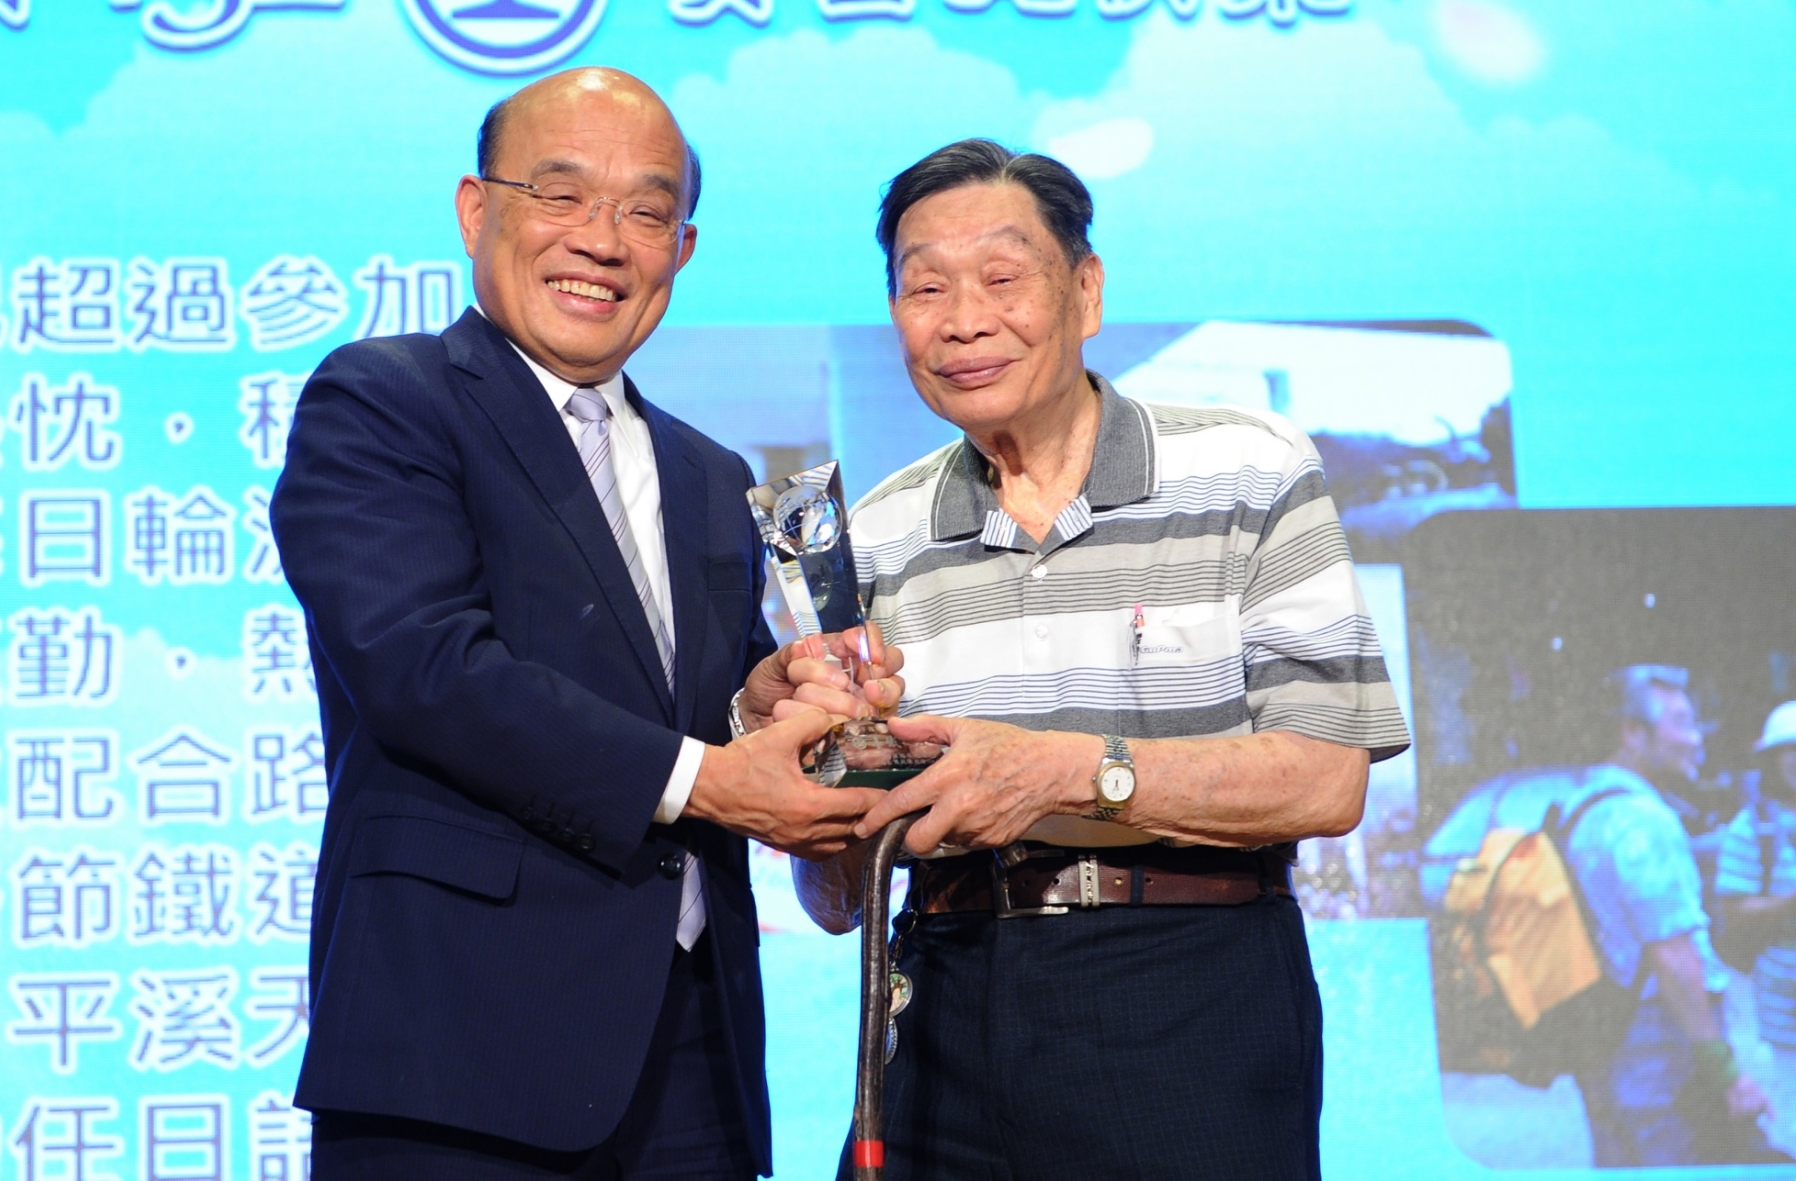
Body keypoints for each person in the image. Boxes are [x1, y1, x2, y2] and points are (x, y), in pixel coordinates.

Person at [271, 66, 894, 1180]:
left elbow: (699, 702)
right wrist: (711, 780)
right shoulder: (384, 400)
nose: (601, 242)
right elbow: (425, 668)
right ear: (476, 209)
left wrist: (773, 703)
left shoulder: (709, 472)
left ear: (681, 250)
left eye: (645, 213)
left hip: (694, 1058)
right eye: (560, 195)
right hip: (458, 1057)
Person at [785, 139, 1411, 1180]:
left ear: (1085, 291)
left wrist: (1067, 773)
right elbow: (837, 900)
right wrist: (818, 773)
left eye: (1001, 278)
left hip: (1189, 993)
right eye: (924, 288)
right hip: (941, 992)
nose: (963, 320)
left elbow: (1325, 779)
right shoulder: (876, 533)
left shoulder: (1247, 468)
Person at [1556, 665, 1772, 1166]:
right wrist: (1727, 1074)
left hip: (1605, 1031)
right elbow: (1673, 953)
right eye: (1682, 723)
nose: (1697, 739)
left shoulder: (1582, 806)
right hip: (1659, 1046)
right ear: (1633, 733)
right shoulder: (1642, 820)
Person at [1714, 701, 1796, 1152]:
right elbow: (1734, 909)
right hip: (1787, 997)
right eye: (1789, 751)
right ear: (1772, 760)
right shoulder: (1753, 828)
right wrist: (1789, 904)